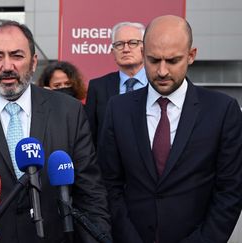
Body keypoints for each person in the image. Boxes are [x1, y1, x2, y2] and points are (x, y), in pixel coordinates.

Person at [0, 19, 111, 243]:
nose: (6, 66)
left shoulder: (67, 111)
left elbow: (90, 194)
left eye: (17, 55)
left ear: (33, 62)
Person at [100, 15, 242, 243]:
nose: (162, 71)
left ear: (191, 55)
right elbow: (109, 184)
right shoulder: (118, 109)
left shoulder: (222, 110)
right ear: (144, 54)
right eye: (154, 60)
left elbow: (230, 191)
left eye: (172, 61)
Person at [85, 21, 147, 147]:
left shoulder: (158, 83)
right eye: (119, 44)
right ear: (113, 52)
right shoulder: (98, 87)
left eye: (133, 43)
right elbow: (90, 136)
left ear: (145, 48)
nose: (126, 49)